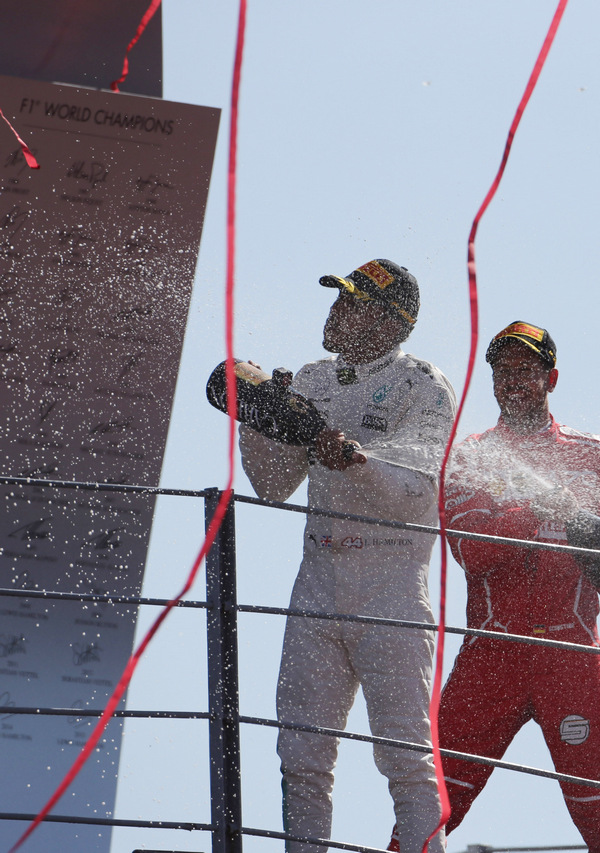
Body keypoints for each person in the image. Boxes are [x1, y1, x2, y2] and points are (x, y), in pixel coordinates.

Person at [239, 259, 454, 853]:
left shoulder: (424, 384)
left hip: (392, 581)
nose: (334, 310)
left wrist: (357, 457)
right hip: (318, 579)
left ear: (389, 322)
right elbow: (271, 484)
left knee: (405, 755)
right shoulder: (310, 379)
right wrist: (258, 418)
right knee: (300, 754)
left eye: (350, 302)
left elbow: (420, 491)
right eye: (337, 299)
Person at [424, 321, 600, 853]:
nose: (512, 381)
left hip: (571, 652)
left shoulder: (590, 454)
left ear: (551, 378)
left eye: (525, 371)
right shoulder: (470, 455)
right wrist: (534, 514)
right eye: (501, 372)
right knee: (430, 807)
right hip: (490, 652)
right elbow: (471, 551)